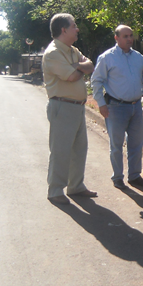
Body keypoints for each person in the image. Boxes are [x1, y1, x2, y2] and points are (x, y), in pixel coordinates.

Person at [42, 13, 98, 205]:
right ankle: (55, 190)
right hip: (62, 106)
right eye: (74, 26)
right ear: (63, 30)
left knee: (79, 149)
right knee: (61, 150)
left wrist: (77, 66)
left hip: (76, 107)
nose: (77, 29)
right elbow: (72, 77)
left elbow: (90, 65)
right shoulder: (53, 53)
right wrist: (78, 68)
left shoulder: (72, 50)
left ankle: (76, 186)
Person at [90, 25, 143, 189]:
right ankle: (118, 177)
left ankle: (135, 176)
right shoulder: (106, 58)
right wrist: (101, 104)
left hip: (136, 107)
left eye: (131, 36)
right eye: (125, 36)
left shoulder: (138, 58)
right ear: (116, 38)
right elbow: (96, 81)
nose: (129, 39)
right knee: (116, 145)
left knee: (137, 143)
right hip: (115, 107)